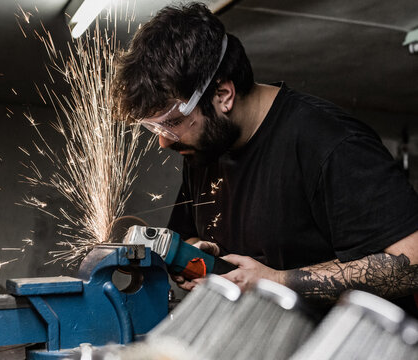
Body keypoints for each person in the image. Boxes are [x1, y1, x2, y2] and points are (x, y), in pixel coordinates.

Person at [112, 2, 418, 314]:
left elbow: (414, 260)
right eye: (155, 128)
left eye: (172, 123)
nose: (164, 141)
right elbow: (190, 233)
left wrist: (280, 281)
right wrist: (197, 258)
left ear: (223, 96)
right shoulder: (204, 150)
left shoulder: (329, 141)